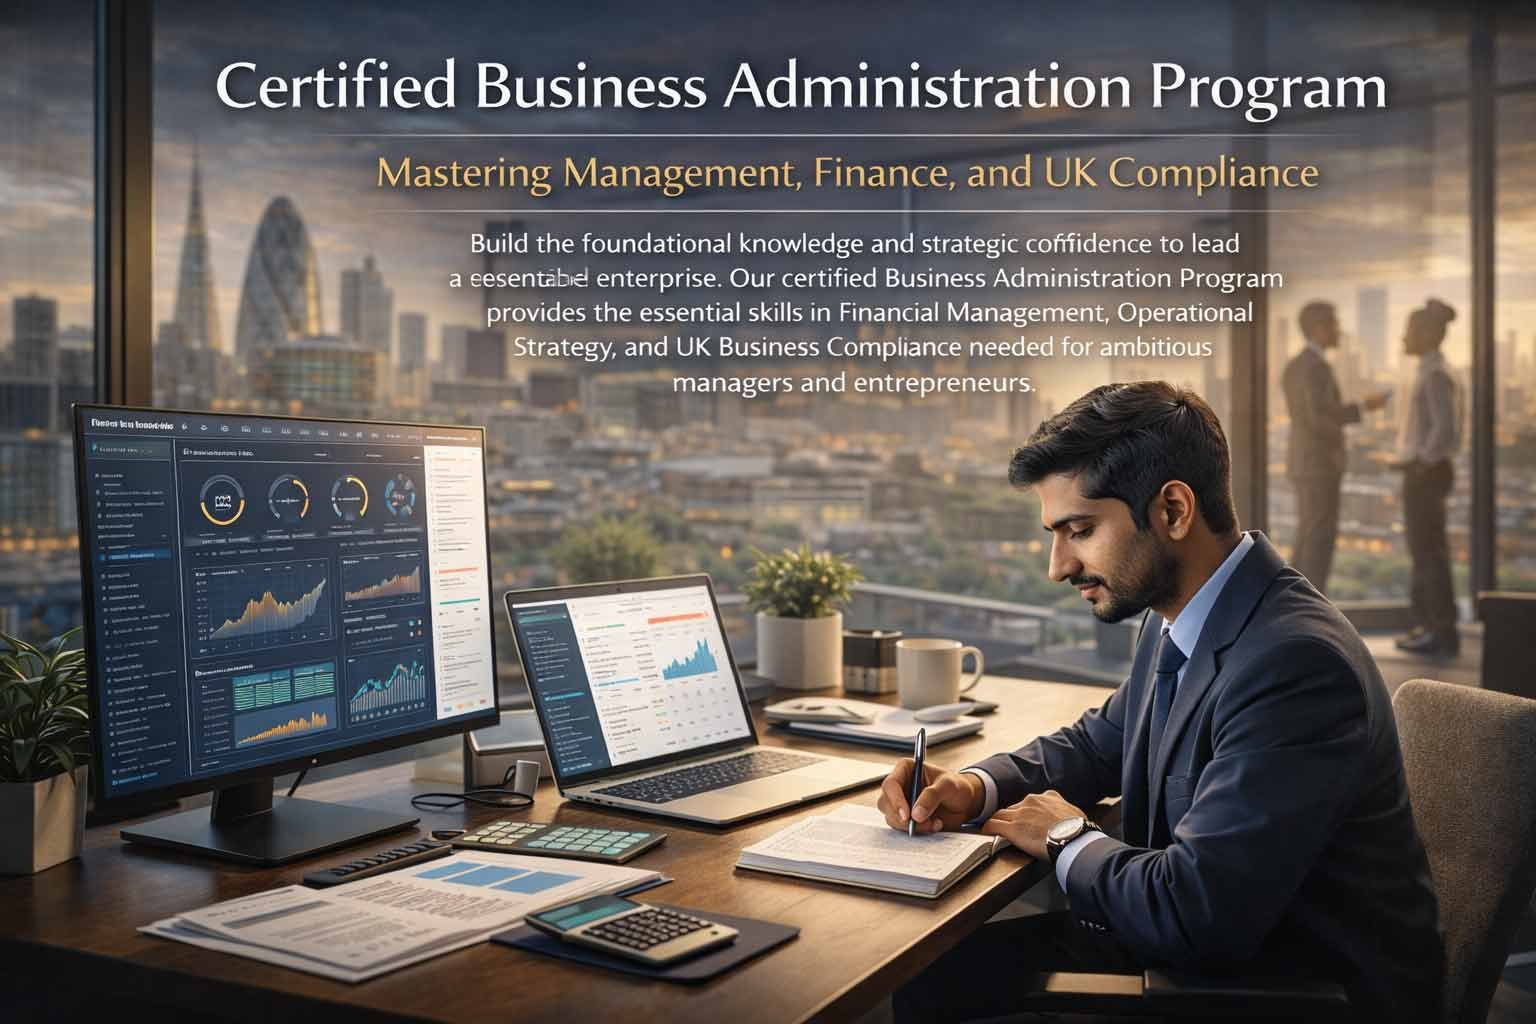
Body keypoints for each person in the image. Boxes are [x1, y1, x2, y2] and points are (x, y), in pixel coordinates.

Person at [881, 381, 1443, 1022]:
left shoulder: (1296, 664)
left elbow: (1197, 911)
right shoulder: (1182, 615)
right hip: (1193, 952)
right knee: (934, 972)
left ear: (1173, 511)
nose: (1058, 567)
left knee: (939, 991)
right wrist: (975, 787)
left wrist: (1065, 837)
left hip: (1281, 992)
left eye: (1080, 531)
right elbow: (1100, 744)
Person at [1281, 300, 1390, 592]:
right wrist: (1362, 408)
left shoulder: (1296, 366)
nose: (1339, 330)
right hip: (1320, 464)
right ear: (1319, 328)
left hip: (1305, 462)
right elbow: (1319, 417)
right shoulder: (1316, 367)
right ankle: (1309, 605)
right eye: (1335, 324)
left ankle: (1296, 604)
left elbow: (1310, 415)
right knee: (1319, 538)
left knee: (1309, 534)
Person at [1393, 299, 1463, 657]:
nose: (1404, 337)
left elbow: (1446, 429)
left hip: (1427, 474)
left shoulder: (1435, 375)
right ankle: (1430, 627)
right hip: (1425, 471)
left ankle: (1440, 630)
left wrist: (1420, 463)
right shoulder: (1429, 371)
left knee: (1429, 553)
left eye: (1410, 330)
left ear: (1427, 334)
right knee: (1425, 551)